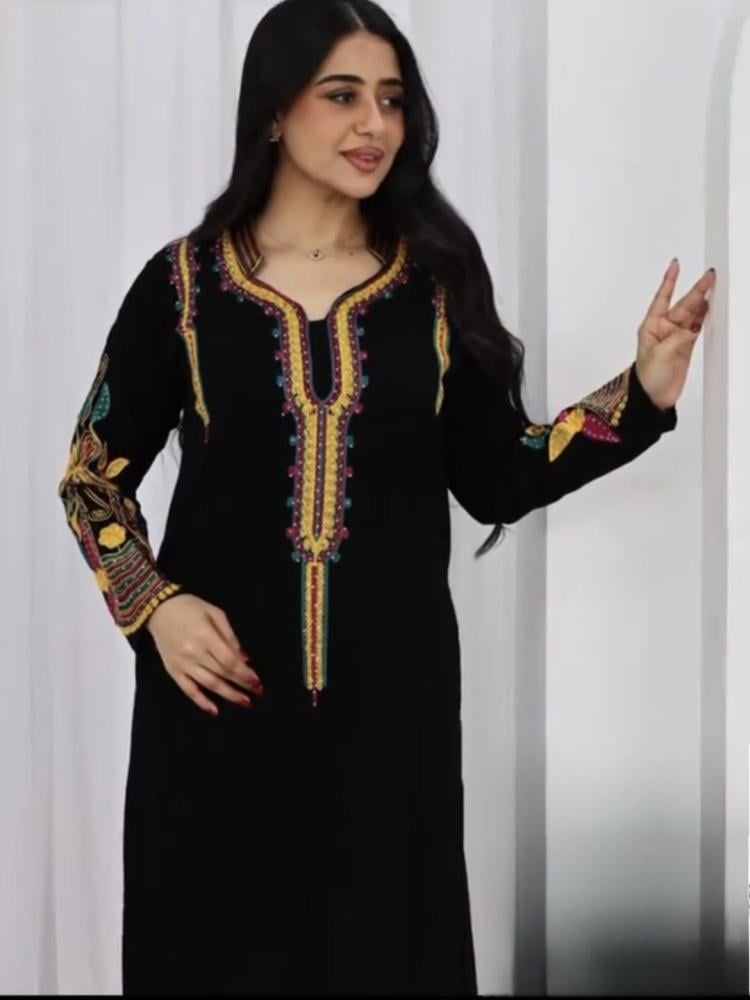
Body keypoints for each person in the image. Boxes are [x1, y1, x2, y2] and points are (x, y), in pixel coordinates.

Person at [57, 0, 714, 994]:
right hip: (219, 720)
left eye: (393, 100)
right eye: (343, 96)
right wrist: (155, 605)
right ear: (274, 111)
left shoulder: (434, 287)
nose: (376, 124)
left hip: (391, 728)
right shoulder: (184, 289)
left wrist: (641, 393)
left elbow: (498, 472)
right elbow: (91, 474)